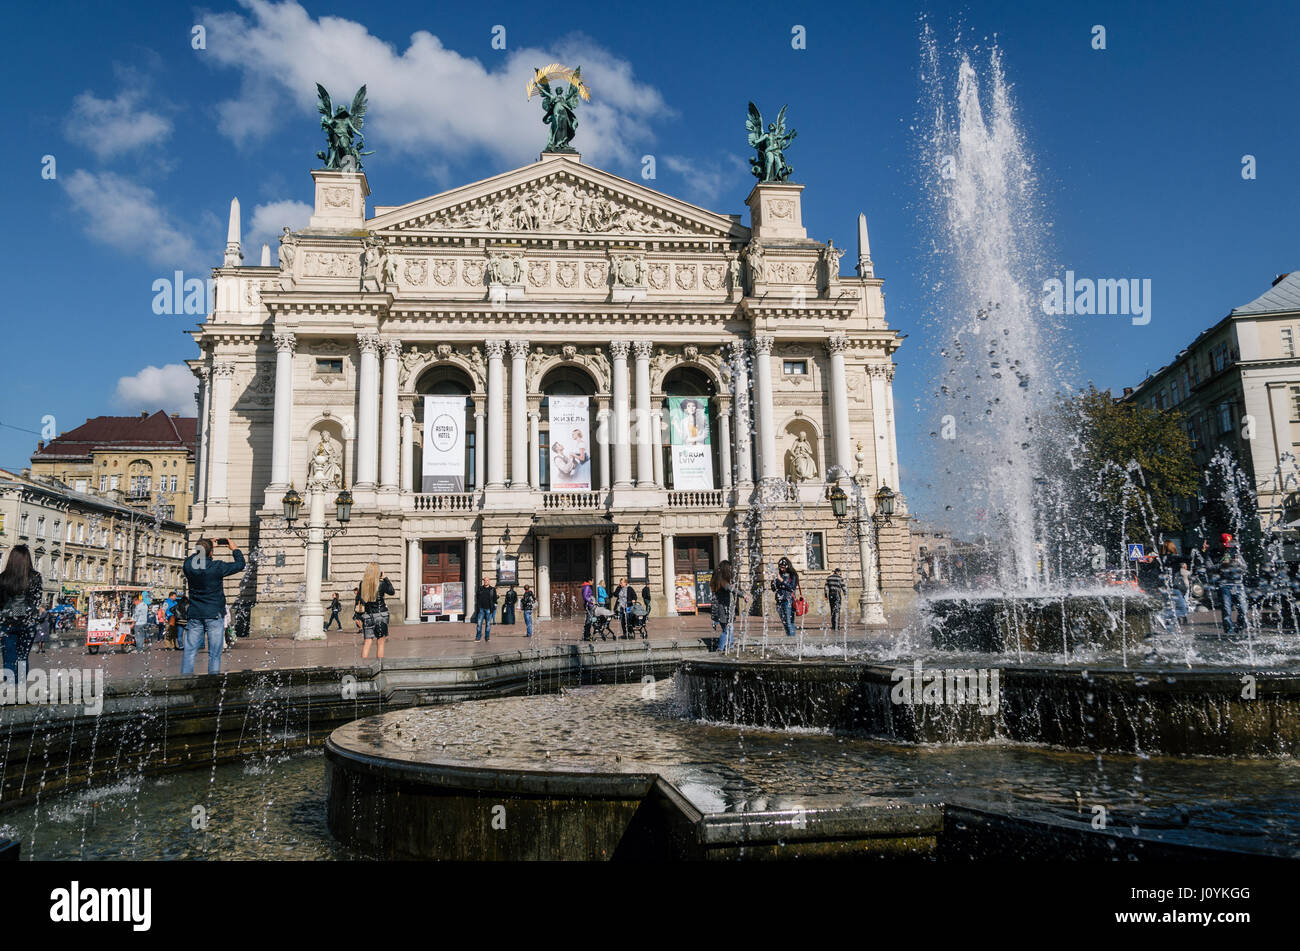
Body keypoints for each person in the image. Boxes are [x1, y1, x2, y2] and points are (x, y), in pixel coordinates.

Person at [181, 537, 245, 675]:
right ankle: (212, 684)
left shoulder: (188, 566)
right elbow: (240, 564)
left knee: (189, 652)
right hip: (214, 614)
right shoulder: (217, 567)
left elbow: (193, 558)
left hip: (195, 614)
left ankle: (185, 682)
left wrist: (204, 546)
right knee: (214, 654)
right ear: (211, 553)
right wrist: (235, 549)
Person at [0, 545, 42, 676]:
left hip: (7, 623)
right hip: (28, 623)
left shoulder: (3, 577)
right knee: (22, 658)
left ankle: (11, 689)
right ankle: (21, 690)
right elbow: (37, 601)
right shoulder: (35, 577)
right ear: (28, 559)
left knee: (8, 659)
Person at [357, 563, 395, 660]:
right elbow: (391, 591)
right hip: (381, 614)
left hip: (368, 615)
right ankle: (379, 665)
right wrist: (386, 578)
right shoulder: (381, 583)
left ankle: (362, 666)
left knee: (367, 641)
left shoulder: (363, 584)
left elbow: (361, 600)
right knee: (380, 642)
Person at [1214, 533, 1248, 635]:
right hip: (1223, 584)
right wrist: (1221, 565)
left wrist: (1238, 563)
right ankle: (1229, 631)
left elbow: (1245, 568)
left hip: (1237, 584)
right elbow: (1209, 568)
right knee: (1226, 609)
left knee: (1243, 608)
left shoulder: (1236, 553)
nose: (1226, 548)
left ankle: (1240, 627)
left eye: (1228, 545)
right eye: (1224, 545)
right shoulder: (1214, 553)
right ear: (1220, 544)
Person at [711, 560, 743, 651]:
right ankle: (720, 649)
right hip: (724, 610)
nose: (730, 570)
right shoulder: (722, 581)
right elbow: (731, 589)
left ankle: (730, 646)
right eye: (729, 568)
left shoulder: (718, 579)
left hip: (723, 609)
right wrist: (744, 595)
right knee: (727, 630)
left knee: (729, 628)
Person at [770, 557, 800, 638]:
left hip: (788, 600)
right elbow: (773, 589)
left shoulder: (792, 575)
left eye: (783, 567)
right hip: (779, 601)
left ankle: (792, 640)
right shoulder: (779, 574)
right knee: (785, 623)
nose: (781, 569)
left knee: (789, 622)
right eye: (780, 567)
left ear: (787, 566)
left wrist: (781, 580)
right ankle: (790, 638)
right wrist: (773, 580)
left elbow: (792, 588)